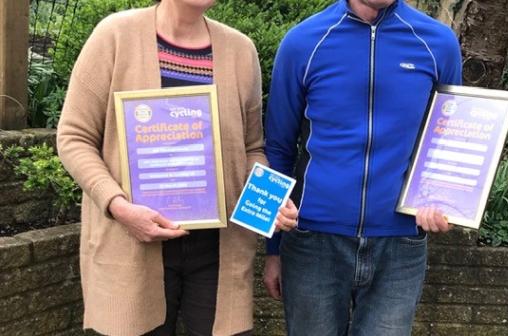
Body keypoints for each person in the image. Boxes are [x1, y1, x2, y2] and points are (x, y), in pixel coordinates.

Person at [57, 0, 298, 335]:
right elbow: (74, 137)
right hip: (133, 245)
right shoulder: (114, 36)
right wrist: (118, 205)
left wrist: (268, 201)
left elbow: (251, 148)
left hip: (218, 251)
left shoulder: (241, 51)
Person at [263, 0, 462, 335]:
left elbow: (451, 138)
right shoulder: (303, 42)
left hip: (400, 245)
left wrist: (445, 200)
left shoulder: (438, 43)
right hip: (313, 241)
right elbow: (277, 147)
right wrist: (272, 249)